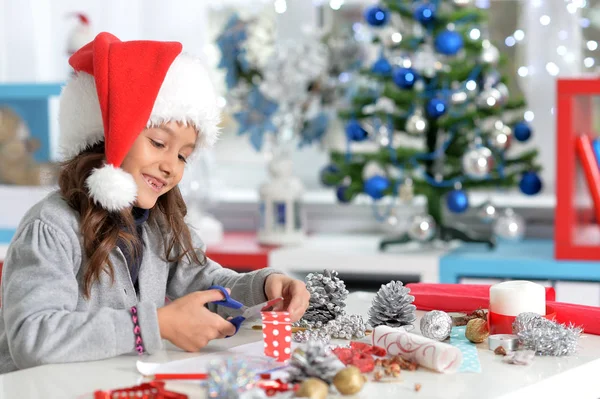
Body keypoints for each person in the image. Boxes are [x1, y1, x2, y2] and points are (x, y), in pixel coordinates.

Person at [0, 32, 310, 374]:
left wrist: (263, 286)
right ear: (106, 135)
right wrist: (153, 325)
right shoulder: (51, 227)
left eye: (183, 156)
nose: (171, 166)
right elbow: (32, 338)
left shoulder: (158, 224)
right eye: (159, 143)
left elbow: (205, 284)